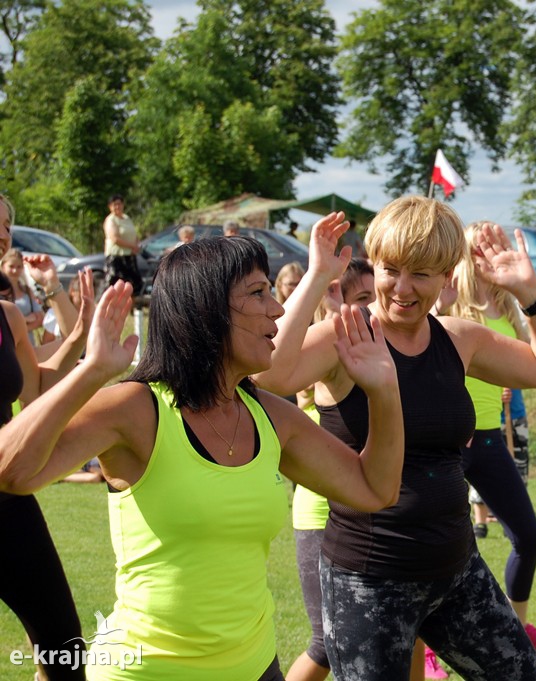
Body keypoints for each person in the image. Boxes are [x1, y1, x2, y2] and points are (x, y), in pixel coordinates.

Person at [0, 224, 406, 681]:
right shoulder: (137, 409)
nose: (276, 308)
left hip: (256, 668)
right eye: (258, 293)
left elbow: (375, 489)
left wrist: (384, 390)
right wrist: (92, 371)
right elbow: (11, 473)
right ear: (205, 311)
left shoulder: (271, 417)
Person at [255, 196, 536, 680]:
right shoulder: (346, 336)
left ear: (447, 277)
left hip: (456, 569)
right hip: (368, 579)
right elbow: (270, 375)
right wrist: (319, 275)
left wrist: (531, 296)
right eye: (391, 270)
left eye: (421, 274)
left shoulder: (460, 339)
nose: (402, 288)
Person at [442, 220, 536, 654]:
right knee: (442, 551)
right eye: (478, 247)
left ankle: (517, 628)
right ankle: (431, 644)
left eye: (492, 247)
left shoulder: (507, 304)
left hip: (490, 436)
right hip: (447, 440)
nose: (486, 255)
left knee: (528, 539)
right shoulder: (447, 301)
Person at [0, 194, 94, 681]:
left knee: (64, 650)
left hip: (6, 497)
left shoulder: (9, 316)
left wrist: (80, 332)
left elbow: (36, 390)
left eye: (6, 227)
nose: (1, 235)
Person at [285, 257, 380, 681]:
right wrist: (324, 305)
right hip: (324, 512)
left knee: (406, 627)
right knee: (326, 644)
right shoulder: (330, 348)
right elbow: (276, 368)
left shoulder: (386, 347)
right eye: (363, 299)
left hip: (378, 510)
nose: (373, 309)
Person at [102, 193, 143, 296]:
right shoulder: (111, 220)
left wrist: (136, 245)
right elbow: (115, 239)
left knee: (134, 284)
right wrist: (132, 246)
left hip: (129, 256)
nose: (117, 207)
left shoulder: (126, 218)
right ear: (110, 207)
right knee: (115, 285)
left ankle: (132, 308)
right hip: (116, 257)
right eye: (114, 204)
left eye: (119, 204)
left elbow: (133, 234)